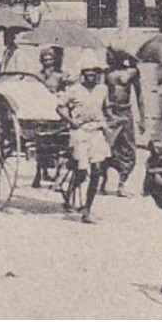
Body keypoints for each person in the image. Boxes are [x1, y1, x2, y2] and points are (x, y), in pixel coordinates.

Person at [60, 60, 112, 223]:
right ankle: (69, 194)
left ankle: (87, 210)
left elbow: (107, 108)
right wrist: (70, 120)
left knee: (97, 170)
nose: (91, 75)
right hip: (79, 132)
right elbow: (60, 106)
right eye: (87, 72)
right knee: (82, 172)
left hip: (97, 131)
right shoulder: (74, 90)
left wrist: (112, 120)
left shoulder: (102, 89)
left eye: (94, 72)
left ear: (98, 73)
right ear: (83, 74)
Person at [102, 48, 143, 196]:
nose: (107, 58)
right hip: (110, 112)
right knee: (107, 147)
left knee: (128, 149)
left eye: (110, 55)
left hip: (126, 113)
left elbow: (139, 96)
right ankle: (103, 182)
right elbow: (103, 93)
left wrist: (142, 119)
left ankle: (122, 184)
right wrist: (107, 112)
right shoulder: (106, 73)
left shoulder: (132, 72)